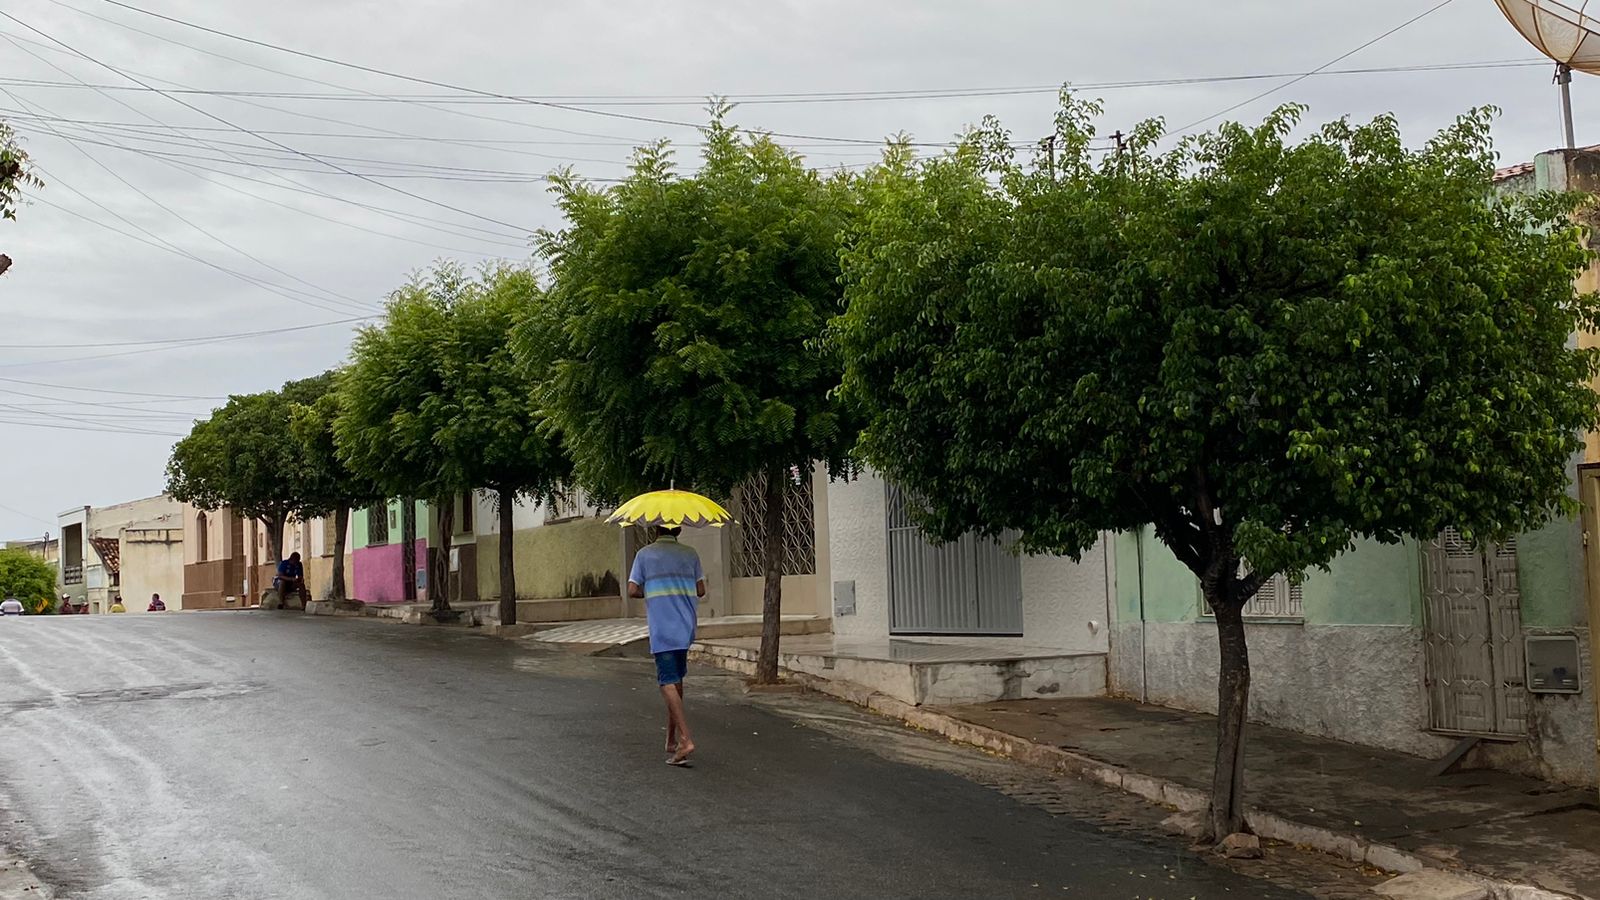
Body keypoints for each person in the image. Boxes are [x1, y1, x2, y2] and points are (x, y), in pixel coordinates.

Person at [627, 526, 705, 766]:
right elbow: (701, 589)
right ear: (679, 529)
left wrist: (651, 590)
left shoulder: (644, 555)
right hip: (685, 627)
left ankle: (685, 739)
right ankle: (670, 739)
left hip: (663, 628)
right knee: (677, 680)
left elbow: (632, 590)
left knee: (666, 682)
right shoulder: (690, 553)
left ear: (655, 528)